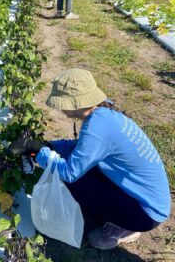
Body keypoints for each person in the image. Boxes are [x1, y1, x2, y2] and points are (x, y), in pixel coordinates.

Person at [9, 68, 171, 251]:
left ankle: (125, 228)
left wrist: (37, 151)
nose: (60, 108)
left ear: (75, 103)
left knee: (74, 183)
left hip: (146, 214)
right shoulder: (104, 114)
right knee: (78, 166)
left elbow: (69, 173)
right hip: (150, 200)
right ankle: (116, 213)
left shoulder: (96, 128)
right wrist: (50, 146)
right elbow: (81, 147)